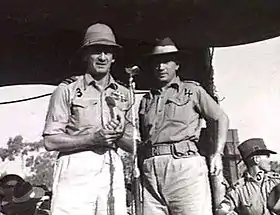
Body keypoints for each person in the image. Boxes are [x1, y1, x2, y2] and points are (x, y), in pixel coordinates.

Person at [43, 23, 134, 215]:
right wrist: (92, 139)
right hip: (76, 164)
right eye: (96, 51)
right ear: (85, 55)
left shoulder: (125, 93)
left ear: (113, 57)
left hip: (111, 163)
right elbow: (50, 141)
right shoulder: (67, 89)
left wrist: (120, 132)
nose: (102, 57)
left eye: (107, 52)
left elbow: (134, 145)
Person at [138, 37, 229, 215]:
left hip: (184, 167)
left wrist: (218, 153)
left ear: (177, 64)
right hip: (151, 170)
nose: (161, 67)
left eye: (166, 61)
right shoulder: (147, 99)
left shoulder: (192, 90)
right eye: (156, 62)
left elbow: (220, 118)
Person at [216, 138, 280, 215]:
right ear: (256, 159)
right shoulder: (238, 189)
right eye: (267, 156)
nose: (270, 160)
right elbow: (221, 211)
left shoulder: (276, 181)